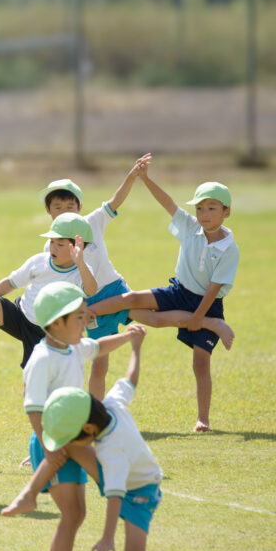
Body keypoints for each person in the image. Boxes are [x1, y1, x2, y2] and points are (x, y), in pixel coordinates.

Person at [0, 282, 146, 551]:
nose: (86, 322)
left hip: (72, 441)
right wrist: (48, 448)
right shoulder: (42, 358)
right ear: (56, 323)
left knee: (76, 513)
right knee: (72, 514)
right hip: (53, 444)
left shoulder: (72, 347)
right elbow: (33, 407)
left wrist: (127, 337)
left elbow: (99, 347)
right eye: (79, 317)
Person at [89, 166, 237, 432]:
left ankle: (203, 419)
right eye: (200, 208)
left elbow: (214, 288)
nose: (204, 214)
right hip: (179, 291)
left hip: (208, 303)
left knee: (201, 362)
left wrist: (199, 318)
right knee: (134, 300)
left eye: (211, 208)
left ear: (226, 212)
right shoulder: (190, 227)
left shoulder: (229, 249)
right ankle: (89, 312)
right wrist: (145, 179)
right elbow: (167, 202)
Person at [41, 341, 192, 551]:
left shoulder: (112, 452)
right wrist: (136, 348)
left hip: (140, 492)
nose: (73, 439)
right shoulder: (111, 403)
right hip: (120, 478)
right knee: (69, 448)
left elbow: (115, 497)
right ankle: (32, 494)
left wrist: (108, 536)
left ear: (88, 428)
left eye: (74, 434)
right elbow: (130, 380)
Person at [39, 153, 149, 398]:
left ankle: (200, 320)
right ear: (48, 210)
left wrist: (132, 175)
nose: (64, 212)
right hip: (89, 305)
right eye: (57, 208)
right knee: (100, 365)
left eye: (70, 207)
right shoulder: (50, 246)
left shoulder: (93, 222)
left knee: (151, 317)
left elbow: (115, 201)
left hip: (115, 290)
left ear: (79, 208)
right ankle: (95, 410)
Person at [0, 213, 98, 369]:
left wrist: (80, 263)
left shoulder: (81, 272)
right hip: (21, 315)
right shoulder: (39, 261)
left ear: (77, 248)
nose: (53, 247)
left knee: (34, 371)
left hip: (46, 332)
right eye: (51, 241)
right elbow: (10, 282)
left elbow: (91, 290)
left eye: (60, 244)